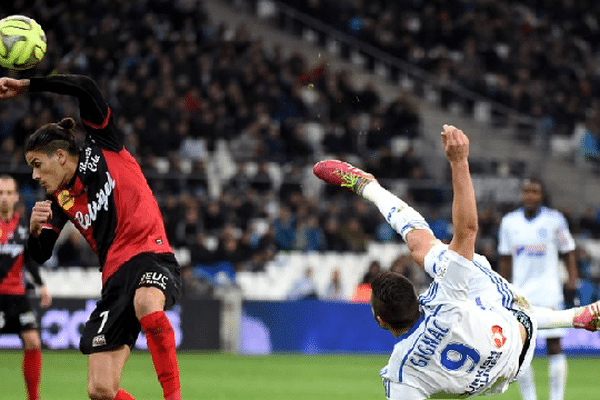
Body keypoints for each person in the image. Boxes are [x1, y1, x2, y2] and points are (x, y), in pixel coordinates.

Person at [313, 124, 600, 399]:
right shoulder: (446, 299)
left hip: (494, 375)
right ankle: (370, 187)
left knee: (444, 261)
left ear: (380, 321)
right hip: (512, 332)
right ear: (417, 297)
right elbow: (467, 231)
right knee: (430, 249)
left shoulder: (401, 371)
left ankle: (575, 318)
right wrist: (459, 161)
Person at [0, 74, 182, 400]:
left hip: (150, 254)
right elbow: (39, 255)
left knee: (146, 302)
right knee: (100, 390)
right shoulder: (58, 200)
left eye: (37, 165)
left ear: (59, 156)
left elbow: (84, 86)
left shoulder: (102, 143)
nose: (34, 175)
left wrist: (26, 86)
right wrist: (33, 230)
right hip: (113, 280)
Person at [497, 177, 578, 400]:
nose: (530, 196)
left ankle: (556, 397)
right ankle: (529, 397)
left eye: (535, 192)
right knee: (520, 350)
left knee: (554, 345)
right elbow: (505, 259)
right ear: (522, 194)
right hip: (521, 294)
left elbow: (569, 250)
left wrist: (572, 280)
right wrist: (501, 290)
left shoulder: (555, 220)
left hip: (549, 291)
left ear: (542, 195)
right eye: (527, 191)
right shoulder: (509, 222)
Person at [0, 175, 51, 400]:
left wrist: (41, 286)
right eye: (0, 193)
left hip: (18, 297)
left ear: (16, 196)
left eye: (9, 193)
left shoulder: (23, 226)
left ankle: (33, 397)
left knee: (33, 341)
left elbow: (29, 260)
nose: (4, 198)